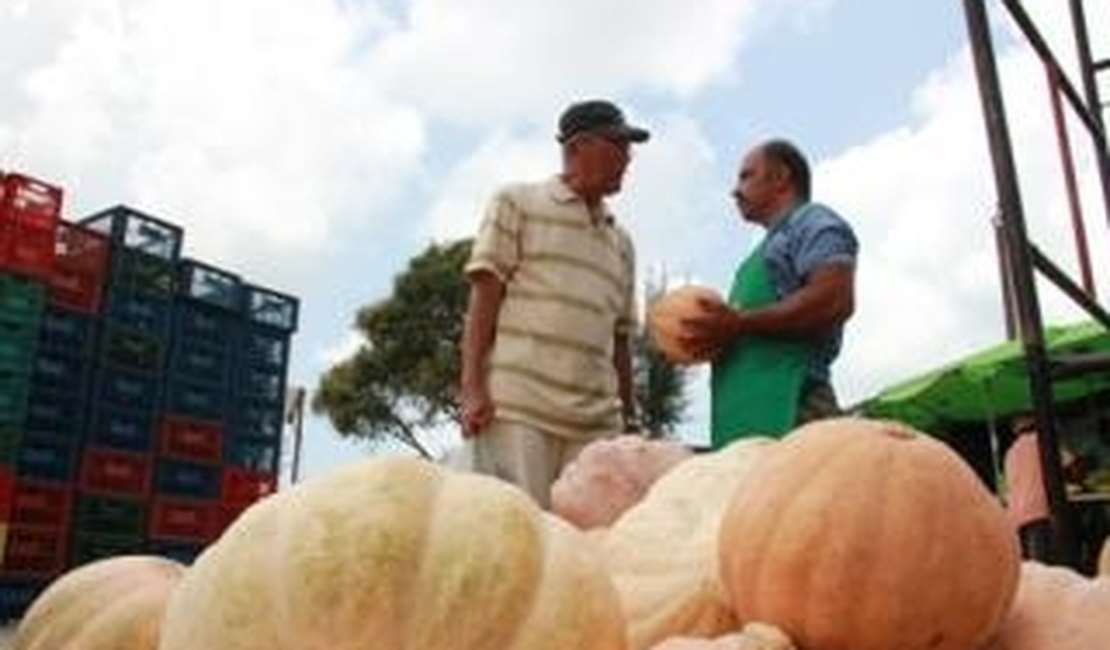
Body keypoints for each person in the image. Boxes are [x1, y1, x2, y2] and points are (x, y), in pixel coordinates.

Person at [458, 99, 650, 507]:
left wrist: (630, 419)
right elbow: (484, 298)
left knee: (588, 548)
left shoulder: (622, 242)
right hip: (518, 412)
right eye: (618, 146)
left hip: (596, 426)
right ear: (578, 147)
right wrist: (472, 388)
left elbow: (620, 339)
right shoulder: (516, 203)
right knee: (517, 539)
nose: (628, 159)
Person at [683, 139, 858, 447]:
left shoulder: (812, 221)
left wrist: (739, 323)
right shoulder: (754, 258)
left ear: (780, 177)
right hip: (744, 425)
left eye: (746, 176)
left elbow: (834, 299)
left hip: (794, 411)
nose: (735, 190)